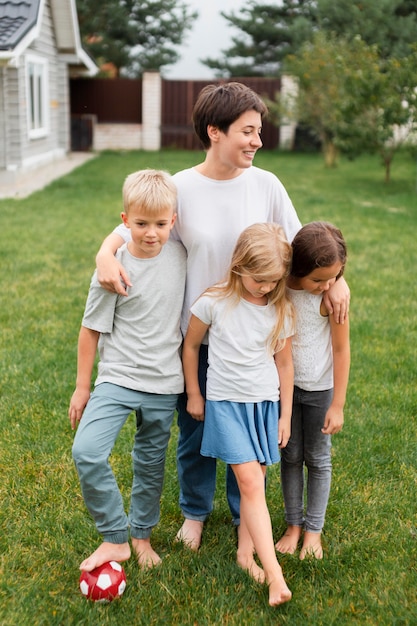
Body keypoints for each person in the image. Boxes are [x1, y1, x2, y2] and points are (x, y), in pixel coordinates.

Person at [94, 82, 350, 552]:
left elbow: (303, 245)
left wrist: (339, 281)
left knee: (249, 435)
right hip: (200, 336)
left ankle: (241, 514)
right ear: (215, 131)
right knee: (195, 430)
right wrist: (104, 254)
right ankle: (194, 511)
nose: (257, 140)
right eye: (247, 131)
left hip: (256, 338)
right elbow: (128, 227)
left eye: (259, 131)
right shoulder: (182, 188)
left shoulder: (266, 184)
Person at [68, 169, 186, 572]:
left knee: (150, 463)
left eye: (159, 224)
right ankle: (114, 536)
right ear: (124, 221)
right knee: (86, 451)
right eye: (139, 224)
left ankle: (141, 536)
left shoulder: (181, 252)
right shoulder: (112, 267)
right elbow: (90, 330)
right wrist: (83, 387)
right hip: (116, 378)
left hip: (165, 383)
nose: (150, 233)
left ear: (173, 221)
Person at [183, 223, 294, 606]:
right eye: (257, 278)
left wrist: (285, 415)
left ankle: (245, 554)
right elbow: (191, 346)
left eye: (271, 280)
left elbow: (285, 365)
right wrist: (194, 394)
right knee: (249, 483)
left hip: (264, 404)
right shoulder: (214, 301)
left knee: (255, 486)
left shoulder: (279, 307)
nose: (263, 287)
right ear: (238, 265)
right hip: (226, 405)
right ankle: (275, 576)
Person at [275, 221, 350, 560]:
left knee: (317, 460)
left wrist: (338, 404)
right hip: (285, 390)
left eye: (334, 277)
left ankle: (313, 532)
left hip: (320, 390)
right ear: (298, 268)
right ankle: (293, 525)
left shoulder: (332, 299)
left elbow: (340, 350)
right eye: (318, 280)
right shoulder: (281, 289)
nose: (327, 285)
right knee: (290, 456)